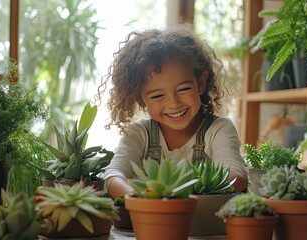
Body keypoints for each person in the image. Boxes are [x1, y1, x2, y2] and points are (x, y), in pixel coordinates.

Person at [97, 25, 248, 199]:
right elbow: (113, 175)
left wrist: (176, 193)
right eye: (158, 95)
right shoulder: (139, 134)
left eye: (183, 89)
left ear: (201, 82)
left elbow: (237, 176)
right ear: (140, 99)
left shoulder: (218, 130)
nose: (173, 103)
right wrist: (141, 198)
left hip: (204, 224)